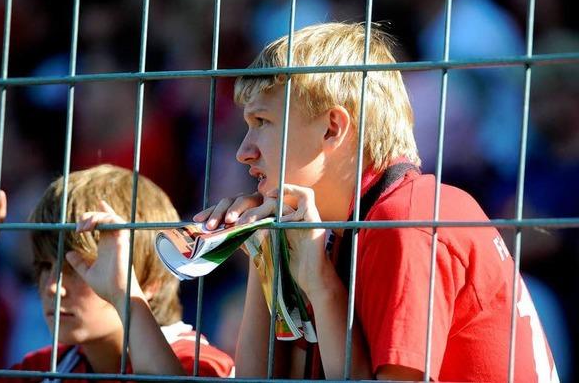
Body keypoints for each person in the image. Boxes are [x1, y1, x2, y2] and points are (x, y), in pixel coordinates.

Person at [194, 22, 559, 381]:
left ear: (332, 128)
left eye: (262, 120)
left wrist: (321, 284)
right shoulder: (344, 225)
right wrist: (266, 250)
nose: (244, 152)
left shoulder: (405, 219)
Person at [0, 164, 234, 381]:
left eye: (81, 268)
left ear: (150, 280)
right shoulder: (48, 368)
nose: (53, 287)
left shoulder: (199, 364)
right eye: (44, 266)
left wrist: (125, 297)